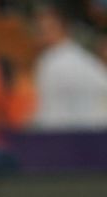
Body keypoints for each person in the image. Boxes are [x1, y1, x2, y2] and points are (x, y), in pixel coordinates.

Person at [30, 2, 107, 131]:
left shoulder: (82, 60)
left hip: (75, 132)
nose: (43, 33)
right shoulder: (50, 60)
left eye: (48, 28)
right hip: (82, 132)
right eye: (41, 29)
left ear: (63, 28)